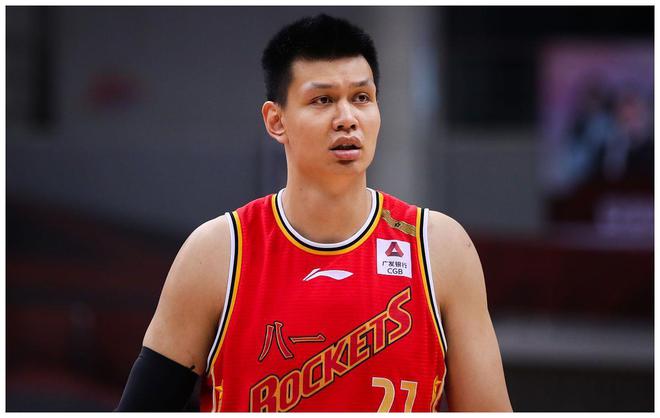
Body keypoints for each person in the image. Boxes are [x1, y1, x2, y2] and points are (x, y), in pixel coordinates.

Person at [116, 14, 512, 412]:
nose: (347, 119)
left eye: (362, 98)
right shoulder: (217, 252)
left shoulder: (440, 248)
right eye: (323, 100)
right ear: (276, 120)